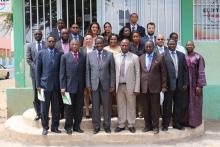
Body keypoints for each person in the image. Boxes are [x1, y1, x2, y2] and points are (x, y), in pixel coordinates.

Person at [86, 37, 115, 134]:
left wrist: (112, 84)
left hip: (106, 85)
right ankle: (96, 126)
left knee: (107, 106)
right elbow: (88, 71)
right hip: (94, 85)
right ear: (95, 44)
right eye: (97, 43)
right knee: (95, 107)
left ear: (103, 44)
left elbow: (112, 71)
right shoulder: (89, 55)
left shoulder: (110, 55)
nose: (99, 45)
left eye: (100, 43)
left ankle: (107, 126)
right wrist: (88, 84)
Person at [36, 36, 63, 135]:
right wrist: (38, 85)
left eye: (53, 41)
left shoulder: (60, 53)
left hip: (56, 87)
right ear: (47, 42)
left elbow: (62, 71)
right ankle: (45, 127)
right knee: (44, 109)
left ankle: (55, 127)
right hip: (44, 86)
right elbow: (38, 70)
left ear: (55, 42)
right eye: (49, 41)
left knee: (56, 109)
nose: (51, 42)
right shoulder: (41, 53)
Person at [139, 40, 167, 134]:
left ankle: (155, 127)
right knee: (145, 108)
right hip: (144, 87)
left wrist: (163, 86)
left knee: (155, 109)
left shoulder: (159, 57)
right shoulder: (141, 57)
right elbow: (139, 73)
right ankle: (148, 126)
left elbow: (163, 73)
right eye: (146, 47)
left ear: (153, 46)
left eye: (150, 46)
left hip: (155, 87)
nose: (148, 48)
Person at [60, 40, 86, 134]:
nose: (75, 46)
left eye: (76, 44)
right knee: (68, 108)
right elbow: (62, 73)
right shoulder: (64, 57)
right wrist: (62, 87)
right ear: (70, 46)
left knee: (79, 108)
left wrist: (85, 86)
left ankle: (77, 126)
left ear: (79, 46)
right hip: (67, 88)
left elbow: (84, 72)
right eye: (73, 44)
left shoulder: (83, 57)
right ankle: (68, 127)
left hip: (80, 87)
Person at [114, 39, 140, 133]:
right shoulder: (115, 57)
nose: (124, 47)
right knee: (120, 105)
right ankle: (121, 124)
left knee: (131, 105)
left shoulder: (134, 57)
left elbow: (137, 73)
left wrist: (137, 88)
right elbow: (114, 72)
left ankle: (131, 124)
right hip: (119, 86)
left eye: (126, 45)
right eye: (123, 45)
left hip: (131, 86)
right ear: (120, 46)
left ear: (129, 46)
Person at [162, 39, 188, 131]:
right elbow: (162, 72)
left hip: (180, 84)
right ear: (167, 45)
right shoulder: (163, 56)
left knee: (178, 105)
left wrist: (185, 83)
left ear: (176, 44)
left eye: (173, 44)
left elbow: (185, 70)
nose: (172, 45)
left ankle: (176, 123)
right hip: (168, 85)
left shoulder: (181, 55)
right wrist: (163, 85)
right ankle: (165, 125)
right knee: (167, 105)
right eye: (170, 44)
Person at [182, 41, 206, 128]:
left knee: (195, 103)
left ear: (194, 46)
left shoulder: (198, 57)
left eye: (191, 45)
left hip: (195, 85)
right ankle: (185, 121)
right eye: (187, 45)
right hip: (186, 85)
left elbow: (201, 72)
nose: (189, 46)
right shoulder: (184, 57)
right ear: (185, 46)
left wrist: (199, 85)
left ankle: (194, 123)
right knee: (185, 103)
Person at [26, 29, 46, 121]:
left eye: (39, 34)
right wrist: (36, 68)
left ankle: (44, 113)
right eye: (36, 34)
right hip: (35, 74)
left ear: (42, 35)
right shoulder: (30, 45)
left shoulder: (46, 44)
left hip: (45, 74)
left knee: (45, 93)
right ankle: (38, 113)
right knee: (37, 94)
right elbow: (28, 59)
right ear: (34, 35)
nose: (38, 35)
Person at [129, 31, 145, 118]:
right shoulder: (130, 46)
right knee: (133, 93)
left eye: (137, 36)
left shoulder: (144, 45)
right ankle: (134, 112)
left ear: (140, 37)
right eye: (134, 36)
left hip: (142, 71)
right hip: (131, 72)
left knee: (140, 93)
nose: (136, 38)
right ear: (132, 38)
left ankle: (140, 111)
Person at [79, 34, 95, 118]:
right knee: (85, 92)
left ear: (92, 40)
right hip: (84, 73)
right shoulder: (81, 49)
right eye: (87, 39)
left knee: (92, 91)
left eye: (90, 39)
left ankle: (95, 109)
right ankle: (87, 111)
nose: (88, 40)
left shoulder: (95, 49)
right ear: (84, 41)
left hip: (94, 73)